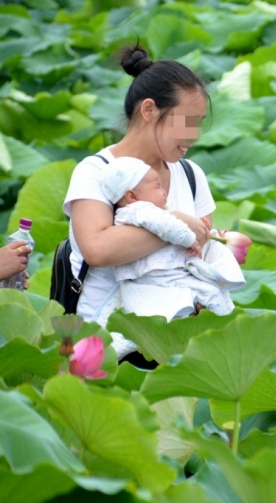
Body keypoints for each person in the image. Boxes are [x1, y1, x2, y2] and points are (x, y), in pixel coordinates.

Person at [63, 44, 215, 365]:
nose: (195, 135)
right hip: (104, 345)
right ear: (149, 110)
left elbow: (202, 248)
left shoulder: (191, 175)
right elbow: (99, 249)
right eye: (188, 121)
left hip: (178, 342)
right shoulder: (95, 172)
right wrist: (180, 225)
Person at [101, 157, 243, 324]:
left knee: (202, 297)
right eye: (157, 186)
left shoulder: (149, 211)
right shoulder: (138, 210)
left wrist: (201, 227)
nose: (164, 192)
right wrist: (191, 238)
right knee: (210, 294)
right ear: (132, 196)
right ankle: (225, 327)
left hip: (167, 276)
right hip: (159, 277)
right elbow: (167, 226)